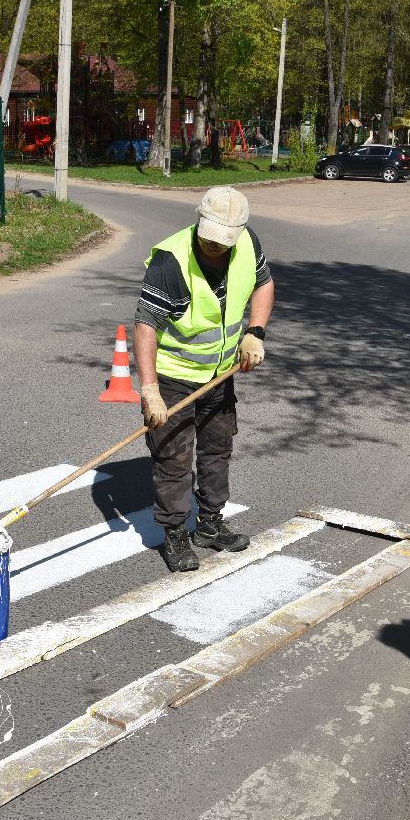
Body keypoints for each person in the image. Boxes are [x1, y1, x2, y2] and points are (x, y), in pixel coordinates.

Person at [133, 186, 274, 572]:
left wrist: (255, 333)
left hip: (219, 372)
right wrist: (149, 390)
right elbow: (146, 327)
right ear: (199, 220)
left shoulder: (247, 243)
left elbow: (264, 284)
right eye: (209, 238)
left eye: (223, 241)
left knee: (218, 447)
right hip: (174, 376)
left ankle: (210, 523)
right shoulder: (171, 261)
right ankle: (175, 532)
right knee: (173, 457)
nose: (215, 247)